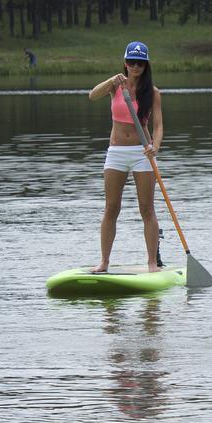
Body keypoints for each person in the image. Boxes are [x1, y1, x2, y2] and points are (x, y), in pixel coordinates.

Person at [87, 41, 163, 272]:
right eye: (131, 62)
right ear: (125, 62)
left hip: (142, 152)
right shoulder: (115, 86)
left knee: (146, 209)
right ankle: (104, 262)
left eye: (140, 63)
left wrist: (155, 146)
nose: (135, 66)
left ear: (146, 65)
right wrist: (111, 80)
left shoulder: (153, 92)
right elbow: (92, 96)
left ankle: (152, 263)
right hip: (116, 152)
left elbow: (158, 126)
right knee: (111, 208)